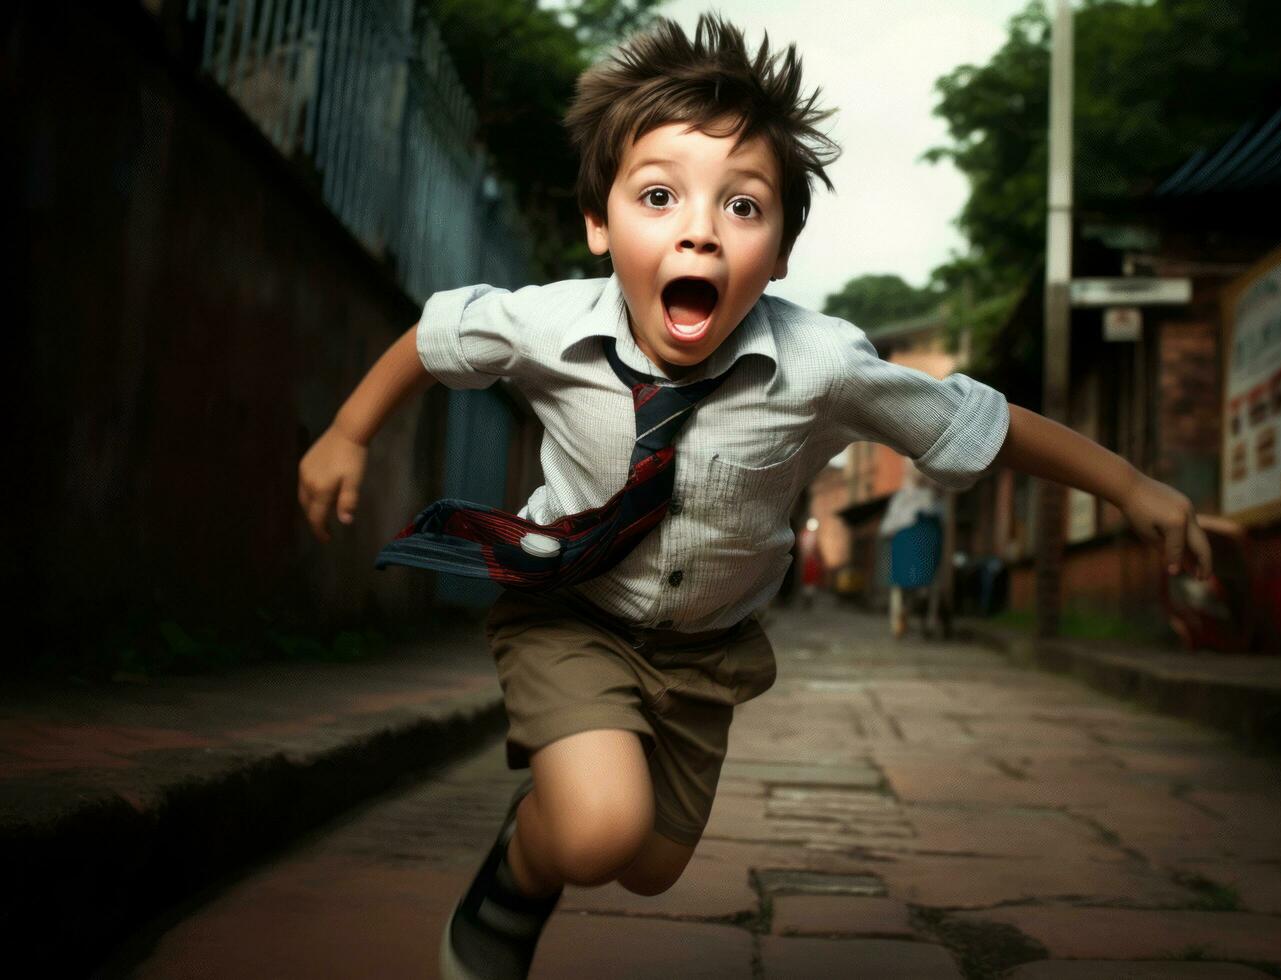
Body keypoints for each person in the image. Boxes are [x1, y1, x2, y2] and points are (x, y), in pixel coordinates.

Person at [296, 16, 1211, 979]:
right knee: (601, 828)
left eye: (742, 206)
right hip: (566, 608)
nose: (698, 228)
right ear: (600, 223)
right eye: (659, 196)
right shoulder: (546, 321)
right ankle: (520, 878)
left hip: (703, 652)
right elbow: (438, 339)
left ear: (778, 254)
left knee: (649, 867)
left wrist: (1130, 484)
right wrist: (348, 433)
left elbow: (975, 422)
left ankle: (557, 829)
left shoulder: (822, 365)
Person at [878, 458, 944, 638]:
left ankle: (919, 612)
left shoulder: (932, 497)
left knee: (923, 583)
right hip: (911, 545)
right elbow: (890, 525)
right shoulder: (905, 497)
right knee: (913, 583)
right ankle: (912, 613)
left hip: (921, 544)